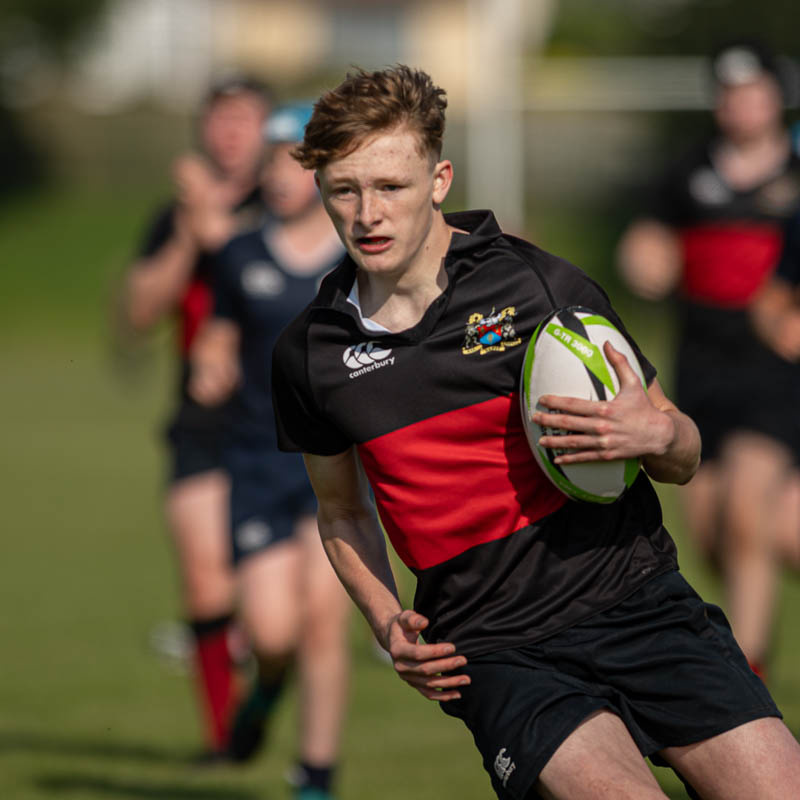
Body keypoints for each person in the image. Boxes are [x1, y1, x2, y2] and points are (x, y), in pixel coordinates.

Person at [270, 65, 800, 800]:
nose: (368, 214)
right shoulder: (312, 354)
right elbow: (342, 510)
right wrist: (387, 620)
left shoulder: (536, 286)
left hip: (640, 604)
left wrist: (653, 434)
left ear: (439, 180)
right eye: (344, 191)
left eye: (391, 186)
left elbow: (683, 452)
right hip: (495, 649)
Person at [616, 40, 800, 678]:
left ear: (776, 98)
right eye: (728, 93)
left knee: (749, 509)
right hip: (700, 369)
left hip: (777, 370)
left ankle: (747, 675)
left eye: (752, 92)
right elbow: (647, 240)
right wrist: (643, 259)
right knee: (715, 532)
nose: (739, 104)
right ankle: (753, 635)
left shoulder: (796, 175)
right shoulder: (688, 171)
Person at [190, 103, 351, 800]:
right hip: (257, 459)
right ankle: (263, 694)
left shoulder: (358, 256)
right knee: (274, 633)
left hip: (337, 466)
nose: (280, 175)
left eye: (297, 160)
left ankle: (315, 777)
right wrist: (210, 363)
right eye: (272, 160)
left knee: (322, 622)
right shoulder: (239, 253)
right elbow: (219, 335)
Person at [120, 75, 271, 760]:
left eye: (244, 118)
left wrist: (219, 224)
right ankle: (224, 740)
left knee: (277, 612)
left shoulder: (290, 202)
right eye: (219, 118)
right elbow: (138, 312)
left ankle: (272, 697)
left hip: (279, 419)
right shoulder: (177, 214)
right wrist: (190, 230)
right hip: (201, 419)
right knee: (206, 581)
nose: (229, 132)